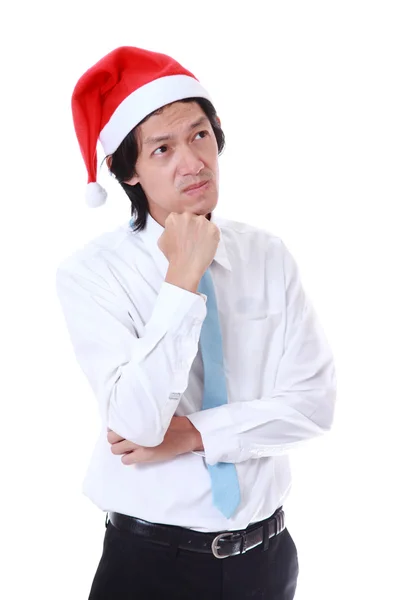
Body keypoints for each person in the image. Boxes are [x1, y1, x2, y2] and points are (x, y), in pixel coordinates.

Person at [55, 46, 337, 600]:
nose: (193, 162)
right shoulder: (91, 274)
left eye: (200, 135)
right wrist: (182, 281)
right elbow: (135, 425)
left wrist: (189, 435)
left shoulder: (267, 254)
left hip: (268, 559)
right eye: (163, 149)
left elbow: (313, 406)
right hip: (151, 565)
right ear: (129, 171)